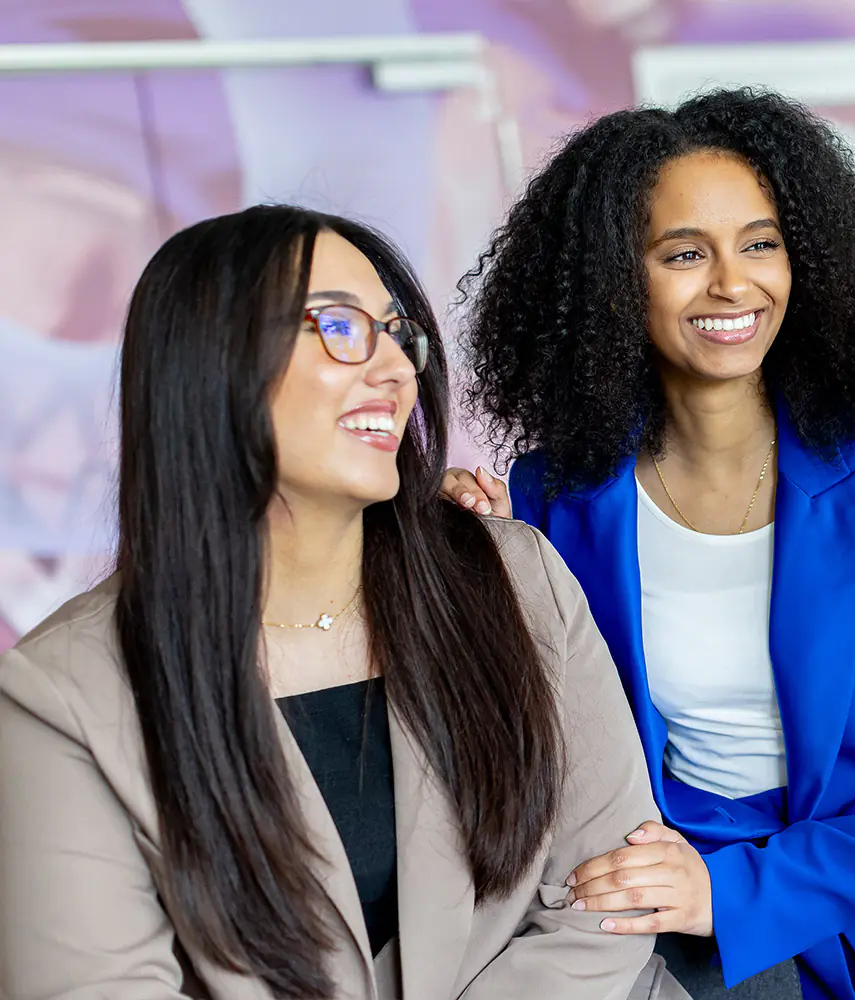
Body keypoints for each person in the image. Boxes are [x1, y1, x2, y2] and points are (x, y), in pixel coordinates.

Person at [443, 87, 855, 1000]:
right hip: (710, 951)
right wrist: (465, 569)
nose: (733, 284)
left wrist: (739, 886)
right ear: (614, 282)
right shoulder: (550, 501)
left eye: (761, 244)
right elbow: (556, 754)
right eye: (685, 254)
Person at [0, 205, 686, 1000]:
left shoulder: (516, 574)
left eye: (397, 332)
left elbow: (609, 904)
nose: (397, 368)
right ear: (210, 365)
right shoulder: (61, 696)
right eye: (338, 327)